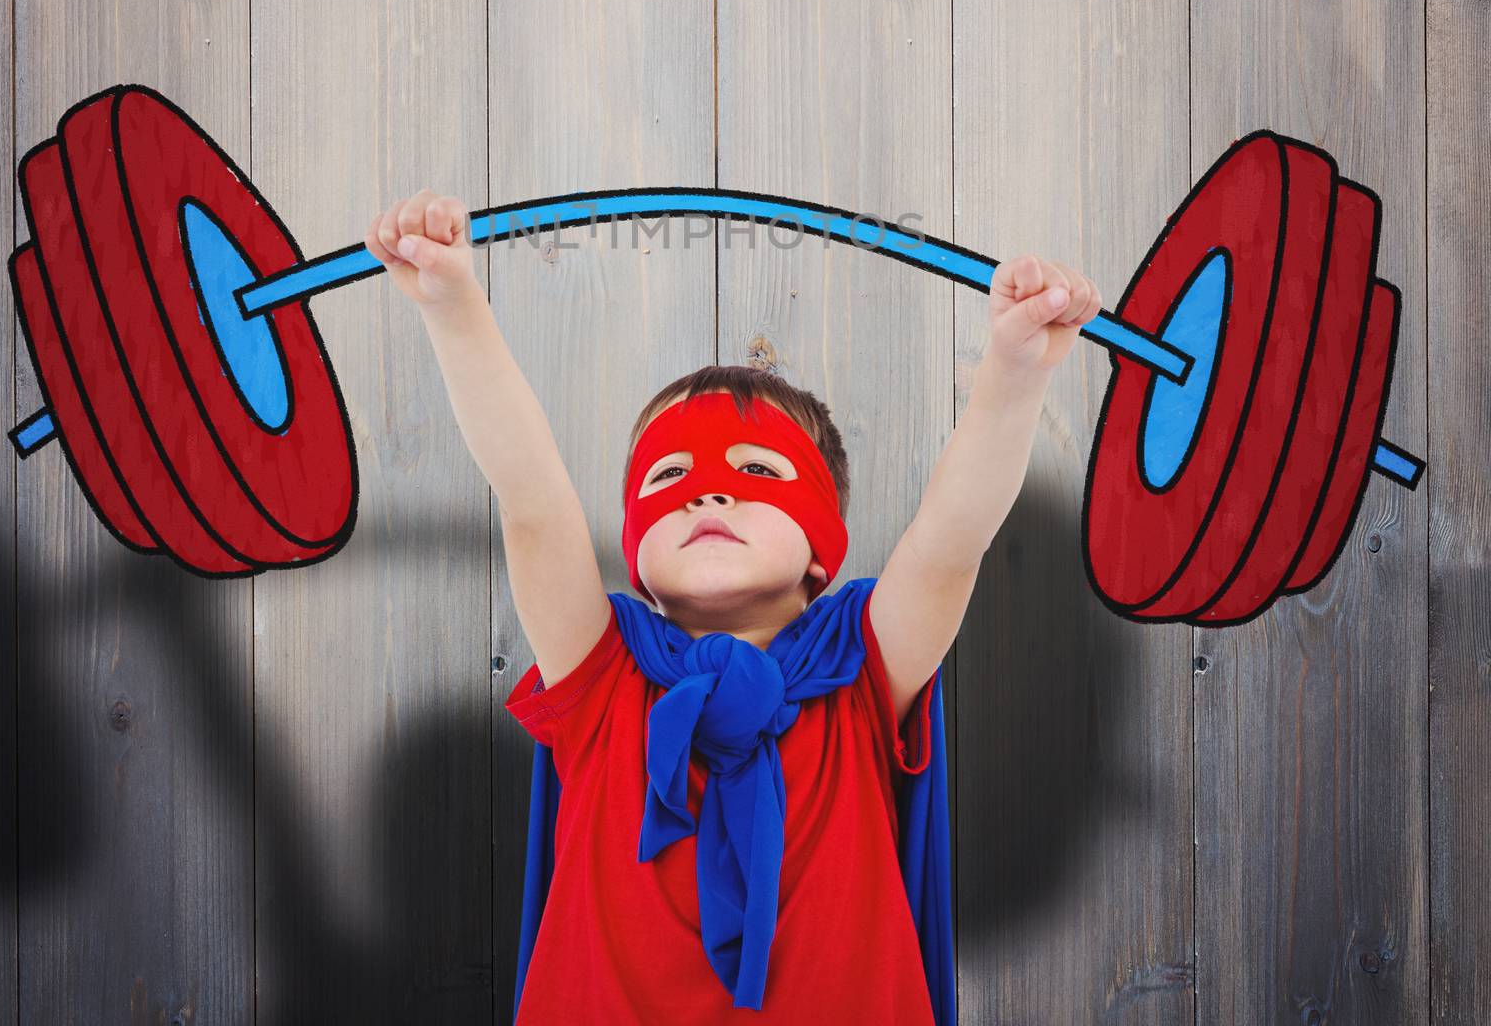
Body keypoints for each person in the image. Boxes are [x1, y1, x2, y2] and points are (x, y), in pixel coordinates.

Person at [365, 190, 1101, 1023]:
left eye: (758, 472)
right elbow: (532, 496)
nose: (706, 490)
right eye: (669, 477)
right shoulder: (602, 671)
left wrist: (1014, 372)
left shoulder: (860, 664)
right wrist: (452, 306)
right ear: (637, 552)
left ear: (823, 548)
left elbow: (952, 537)